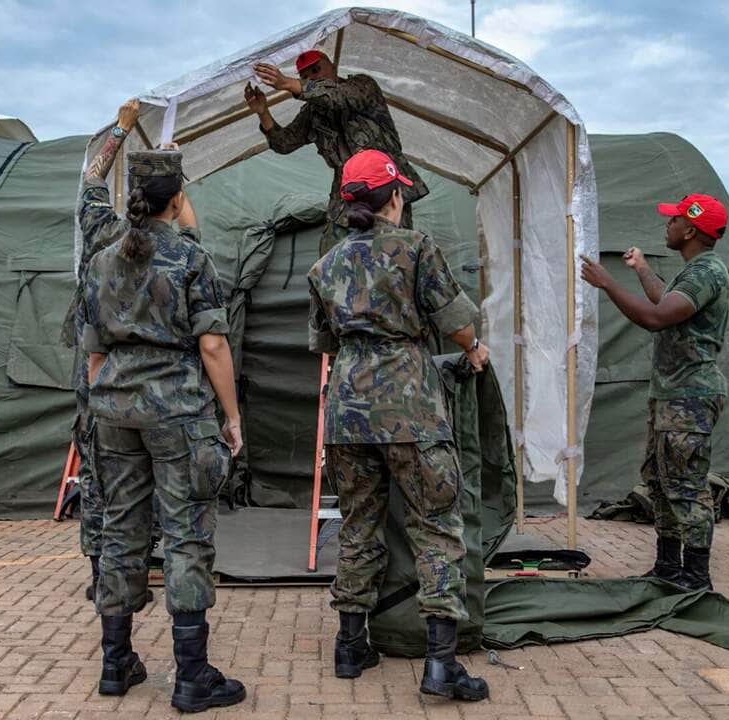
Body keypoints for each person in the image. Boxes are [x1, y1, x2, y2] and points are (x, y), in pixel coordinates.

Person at [307, 149, 490, 701]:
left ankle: (349, 646)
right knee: (436, 527)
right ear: (394, 196)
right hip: (411, 408)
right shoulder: (416, 247)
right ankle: (441, 666)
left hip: (347, 412)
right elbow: (458, 324)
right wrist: (473, 350)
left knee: (358, 526)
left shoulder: (325, 265)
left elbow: (324, 341)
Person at [82, 146, 246, 711]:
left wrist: (108, 404)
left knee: (120, 531)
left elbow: (94, 352)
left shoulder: (103, 260)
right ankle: (192, 676)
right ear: (176, 199)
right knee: (186, 535)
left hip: (114, 411)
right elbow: (213, 344)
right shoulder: (190, 257)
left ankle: (115, 663)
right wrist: (231, 417)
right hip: (177, 411)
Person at [580, 193, 729, 591]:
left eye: (674, 219)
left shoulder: (706, 272)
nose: (668, 224)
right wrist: (642, 269)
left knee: (686, 485)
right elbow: (665, 300)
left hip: (690, 397)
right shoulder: (694, 270)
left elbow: (656, 317)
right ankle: (668, 567)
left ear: (691, 231)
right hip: (671, 394)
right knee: (660, 481)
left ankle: (695, 578)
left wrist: (608, 283)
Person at [62, 98, 162, 603]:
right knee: (148, 468)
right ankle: (139, 567)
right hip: (150, 375)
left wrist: (121, 131)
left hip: (96, 368)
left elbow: (92, 178)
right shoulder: (168, 248)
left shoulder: (101, 226)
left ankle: (102, 570)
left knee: (97, 467)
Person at [244, 50, 429, 253]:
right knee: (333, 256)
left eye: (316, 70)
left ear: (333, 66)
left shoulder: (362, 86)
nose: (312, 78)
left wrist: (288, 83)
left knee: (394, 253)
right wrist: (263, 112)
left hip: (384, 185)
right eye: (305, 77)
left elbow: (338, 97)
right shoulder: (312, 112)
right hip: (347, 194)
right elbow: (284, 143)